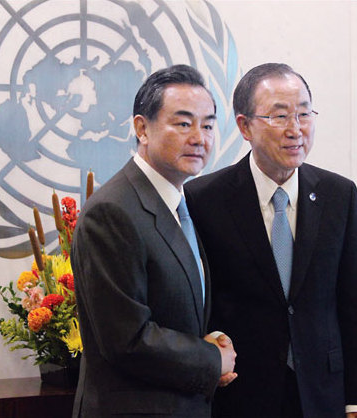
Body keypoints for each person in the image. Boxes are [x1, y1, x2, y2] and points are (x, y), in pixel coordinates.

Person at [185, 63, 357, 418]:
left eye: (304, 113)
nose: (296, 129)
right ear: (244, 126)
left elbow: (355, 302)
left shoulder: (339, 195)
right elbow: (197, 302)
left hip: (324, 393)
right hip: (241, 394)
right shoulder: (204, 198)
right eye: (280, 116)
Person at [71, 64, 237, 418]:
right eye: (183, 123)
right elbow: (127, 340)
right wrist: (211, 360)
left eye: (208, 125)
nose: (199, 137)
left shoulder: (181, 204)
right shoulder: (112, 212)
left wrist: (211, 348)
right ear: (142, 129)